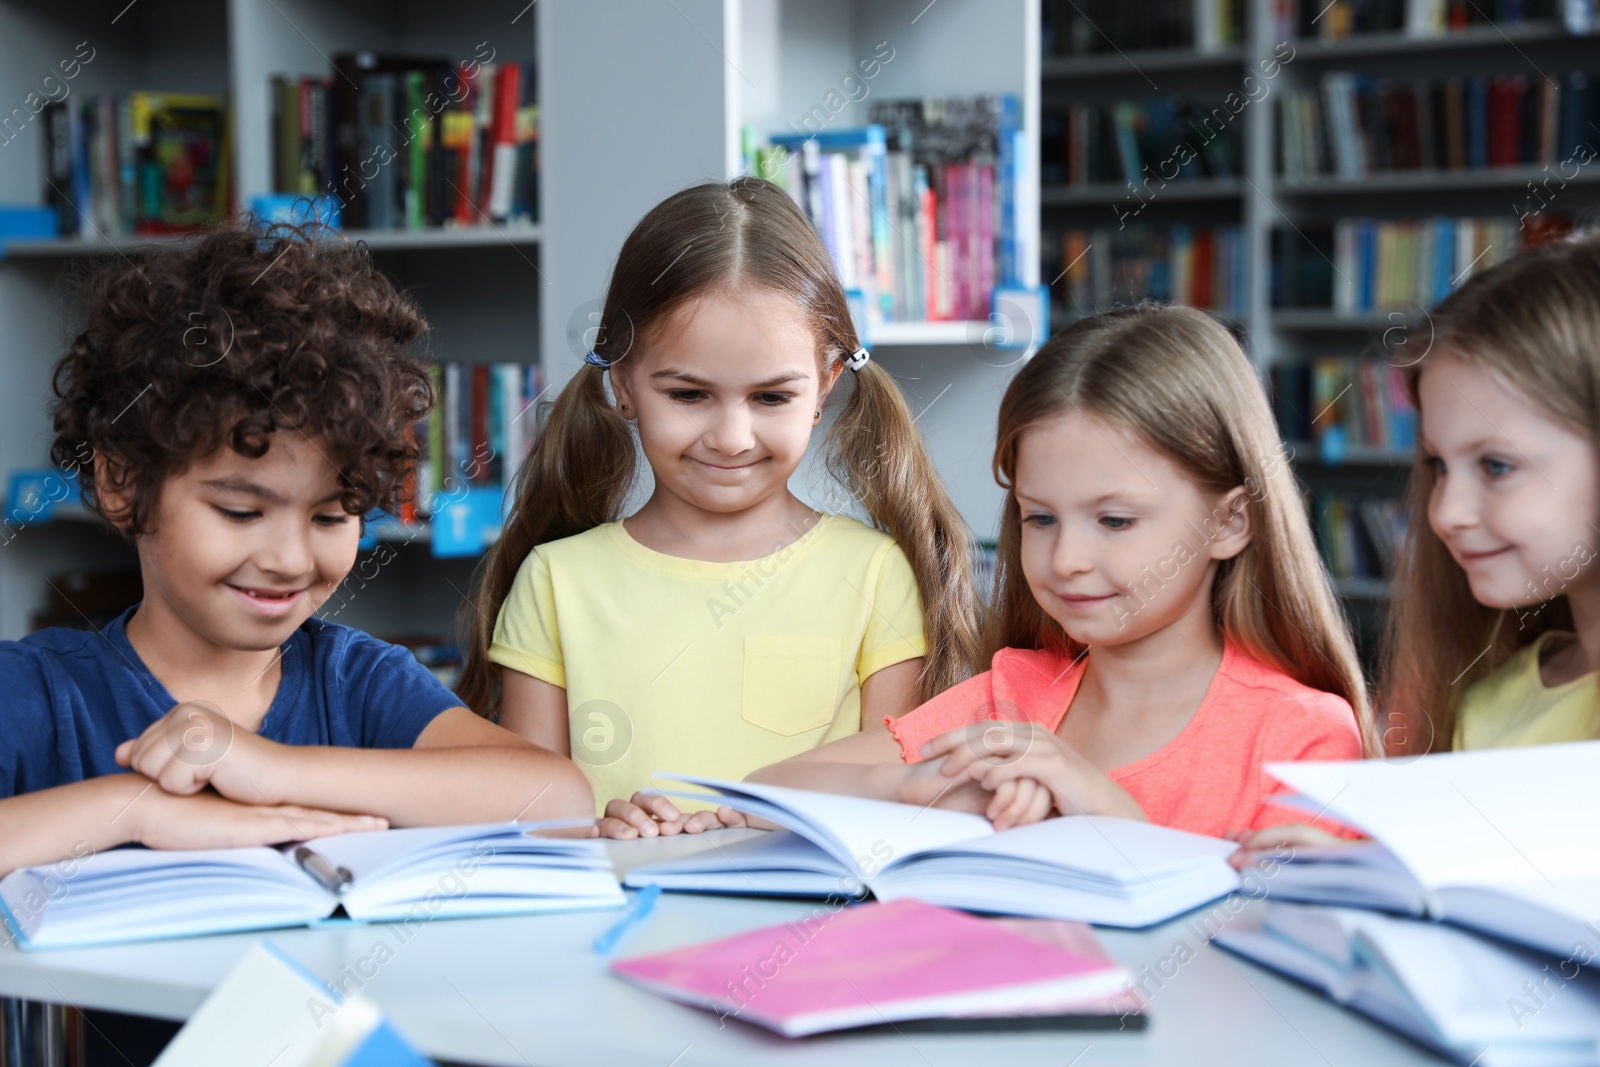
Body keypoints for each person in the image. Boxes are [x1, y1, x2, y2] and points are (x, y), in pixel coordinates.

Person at [0, 222, 593, 877]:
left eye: (332, 515)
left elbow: (558, 800)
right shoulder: (33, 692)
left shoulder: (362, 684)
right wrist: (132, 807)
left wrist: (270, 767)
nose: (288, 558)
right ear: (122, 481)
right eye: (241, 511)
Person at [459, 177, 984, 838]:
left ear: (823, 387)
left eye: (771, 398)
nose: (732, 437)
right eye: (688, 395)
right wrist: (598, 827)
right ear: (622, 384)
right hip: (616, 925)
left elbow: (893, 788)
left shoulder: (876, 573)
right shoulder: (555, 582)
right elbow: (531, 818)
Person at [752, 305, 1377, 840]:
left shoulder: (1302, 737)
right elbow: (767, 789)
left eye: (1114, 521)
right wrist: (915, 786)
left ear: (1229, 523)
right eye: (1040, 519)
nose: (1066, 559)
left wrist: (1095, 802)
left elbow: (1263, 952)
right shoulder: (1011, 698)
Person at [1237, 231, 1600, 862]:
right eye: (1437, 465)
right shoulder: (1489, 703)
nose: (1445, 514)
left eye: (1495, 466)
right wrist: (1369, 866)